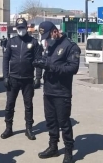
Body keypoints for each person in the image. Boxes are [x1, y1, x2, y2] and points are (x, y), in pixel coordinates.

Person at [32, 21, 81, 163]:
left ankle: (68, 152)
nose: (47, 39)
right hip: (48, 91)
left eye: (48, 35)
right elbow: (46, 60)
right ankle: (53, 147)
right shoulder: (50, 45)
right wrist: (39, 62)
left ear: (55, 30)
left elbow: (73, 69)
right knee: (51, 122)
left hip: (62, 92)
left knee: (64, 123)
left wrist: (50, 66)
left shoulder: (71, 47)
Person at [1, 18, 42, 140]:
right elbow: (5, 60)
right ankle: (8, 128)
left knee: (28, 105)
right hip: (13, 79)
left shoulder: (33, 42)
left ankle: (29, 129)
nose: (21, 30)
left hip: (28, 79)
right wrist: (5, 76)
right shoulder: (10, 42)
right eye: (19, 28)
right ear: (16, 28)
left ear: (26, 27)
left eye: (23, 27)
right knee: (9, 105)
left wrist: (38, 78)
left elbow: (38, 61)